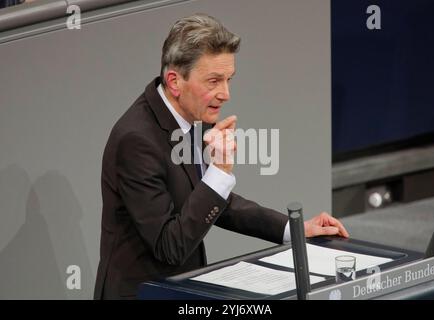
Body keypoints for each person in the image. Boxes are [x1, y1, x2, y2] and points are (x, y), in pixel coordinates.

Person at [94, 13, 349, 300]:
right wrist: (220, 171)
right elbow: (170, 245)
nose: (225, 93)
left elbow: (215, 202)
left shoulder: (189, 116)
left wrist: (294, 230)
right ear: (175, 82)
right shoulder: (136, 141)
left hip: (180, 290)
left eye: (228, 80)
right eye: (213, 81)